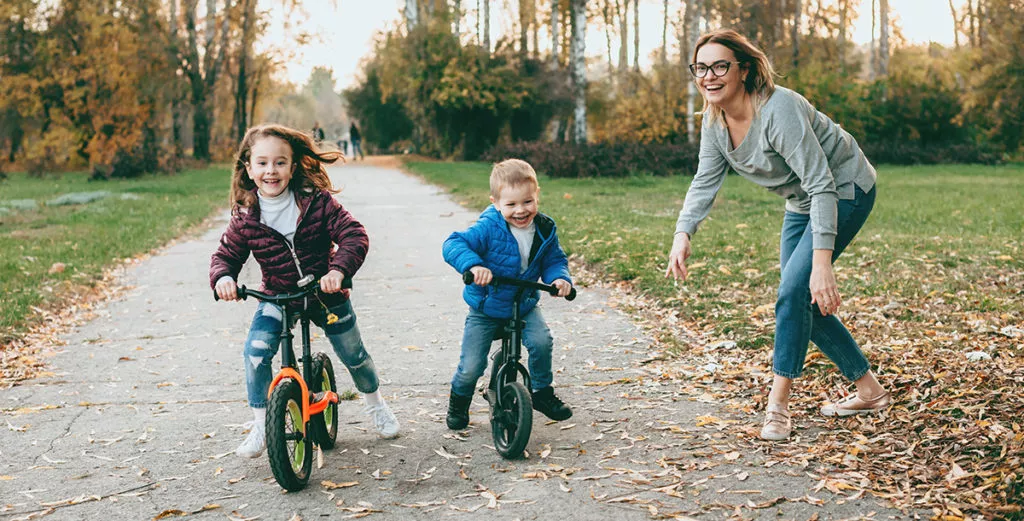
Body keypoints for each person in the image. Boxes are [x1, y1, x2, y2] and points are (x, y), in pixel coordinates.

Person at [665, 30, 890, 441]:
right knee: (799, 299)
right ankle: (869, 390)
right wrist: (684, 232)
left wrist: (821, 263)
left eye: (720, 66)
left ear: (743, 69)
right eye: (700, 68)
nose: (709, 76)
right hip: (802, 203)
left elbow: (822, 183)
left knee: (794, 292)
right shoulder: (714, 121)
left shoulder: (777, 109)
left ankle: (778, 406)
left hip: (845, 189)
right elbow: (704, 180)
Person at [210, 124, 400, 458]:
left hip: (325, 292)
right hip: (278, 296)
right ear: (249, 168)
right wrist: (223, 278)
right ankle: (261, 424)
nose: (272, 171)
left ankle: (375, 404)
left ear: (293, 166)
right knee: (255, 352)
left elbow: (354, 235)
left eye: (280, 162)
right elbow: (225, 255)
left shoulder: (317, 202)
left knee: (353, 353)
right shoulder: (245, 217)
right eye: (263, 163)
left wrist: (338, 270)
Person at [442, 159, 574, 430]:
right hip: (486, 307)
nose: (521, 210)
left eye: (527, 202)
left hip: (523, 303)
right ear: (496, 202)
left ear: (537, 196)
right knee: (471, 365)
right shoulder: (489, 227)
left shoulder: (545, 229)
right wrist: (474, 265)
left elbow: (553, 260)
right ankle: (459, 400)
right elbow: (454, 243)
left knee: (541, 341)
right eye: (511, 204)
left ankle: (541, 393)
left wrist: (560, 279)